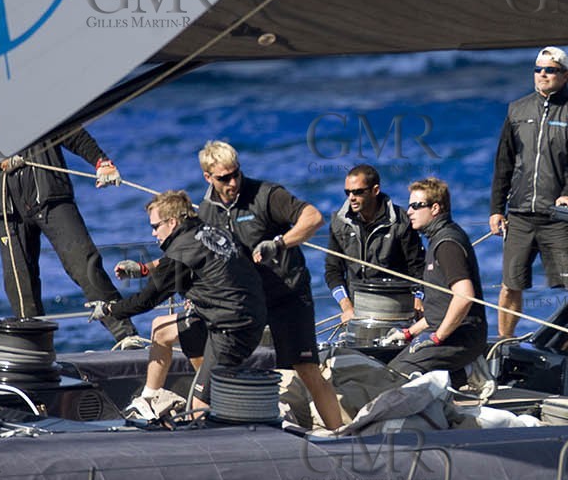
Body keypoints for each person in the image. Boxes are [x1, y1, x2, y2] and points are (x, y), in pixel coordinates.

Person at [191, 141, 344, 429]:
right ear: (208, 177)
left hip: (287, 295)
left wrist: (279, 243)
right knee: (211, 375)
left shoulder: (266, 195)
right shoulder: (206, 212)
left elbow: (313, 218)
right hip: (244, 304)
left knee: (307, 369)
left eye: (236, 173)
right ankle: (205, 438)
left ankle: (340, 436)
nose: (233, 182)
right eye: (224, 178)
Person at [92, 191, 266, 410]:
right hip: (235, 312)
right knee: (161, 330)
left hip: (232, 328)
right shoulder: (205, 229)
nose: (153, 233)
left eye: (155, 226)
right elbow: (184, 260)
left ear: (172, 222)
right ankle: (148, 400)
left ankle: (218, 404)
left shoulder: (180, 253)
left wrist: (109, 310)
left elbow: (145, 301)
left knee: (200, 404)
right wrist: (145, 269)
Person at [0, 125, 141, 346]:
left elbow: (73, 134)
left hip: (51, 197)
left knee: (86, 265)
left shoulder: (40, 110)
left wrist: (102, 162)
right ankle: (35, 348)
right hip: (7, 208)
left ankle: (126, 335)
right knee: (18, 283)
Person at [488, 47, 568, 340]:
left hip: (558, 216)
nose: (542, 75)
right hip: (520, 214)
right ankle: (504, 343)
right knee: (510, 285)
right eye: (538, 69)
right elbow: (504, 162)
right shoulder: (517, 110)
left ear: (566, 75)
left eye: (550, 70)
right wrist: (496, 208)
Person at [381, 178, 488, 382]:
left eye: (415, 206)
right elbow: (439, 310)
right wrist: (408, 333)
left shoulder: (447, 244)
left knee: (396, 378)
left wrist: (438, 337)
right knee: (390, 369)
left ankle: (468, 369)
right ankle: (468, 372)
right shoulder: (437, 239)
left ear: (435, 208)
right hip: (444, 330)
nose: (409, 212)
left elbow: (464, 296)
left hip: (461, 336)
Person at [325, 163, 425, 323]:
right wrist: (346, 306)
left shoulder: (401, 221)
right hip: (357, 312)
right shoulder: (339, 222)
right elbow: (333, 270)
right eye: (347, 192)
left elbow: (418, 268)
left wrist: (418, 298)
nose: (351, 197)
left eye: (358, 192)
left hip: (397, 309)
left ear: (375, 190)